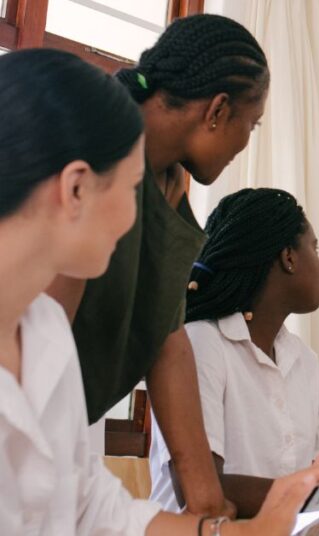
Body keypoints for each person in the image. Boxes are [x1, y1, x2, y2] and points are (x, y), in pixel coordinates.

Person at [0, 47, 319, 536]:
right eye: (131, 191)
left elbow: (95, 509)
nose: (139, 219)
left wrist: (238, 530)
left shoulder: (45, 334)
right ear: (76, 188)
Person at [45, 13, 269, 516]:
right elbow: (43, 339)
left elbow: (168, 344)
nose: (246, 143)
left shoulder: (167, 185)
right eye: (250, 125)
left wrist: (208, 504)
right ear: (217, 111)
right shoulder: (98, 150)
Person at [150, 188, 319, 518]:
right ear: (289, 257)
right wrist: (317, 492)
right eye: (314, 248)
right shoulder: (201, 343)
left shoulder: (305, 360)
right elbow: (197, 489)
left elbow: (314, 471)